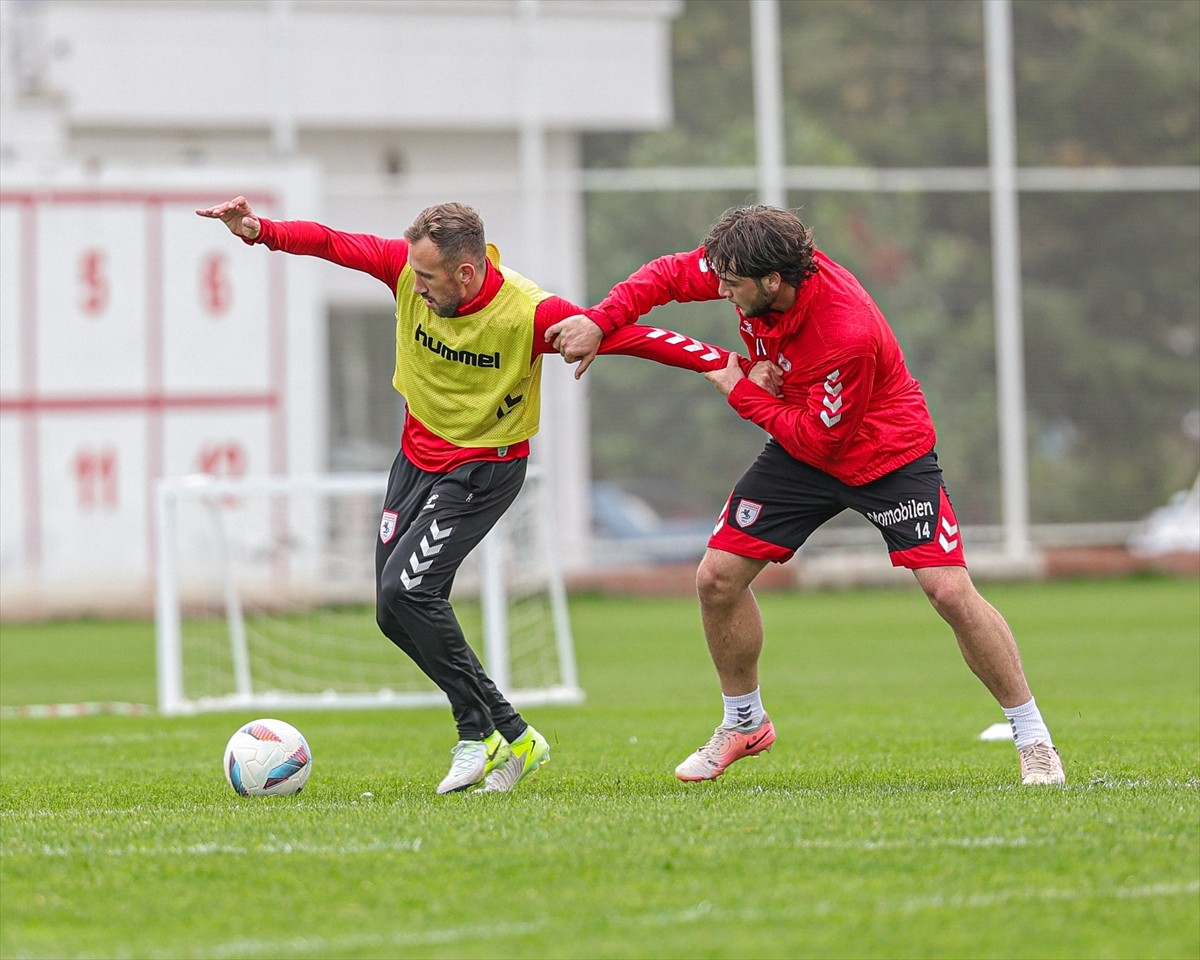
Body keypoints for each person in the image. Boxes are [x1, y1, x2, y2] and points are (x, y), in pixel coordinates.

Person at [197, 197, 730, 794]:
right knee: (391, 610)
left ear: (467, 273)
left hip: (483, 469)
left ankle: (514, 735)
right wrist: (258, 231)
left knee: (410, 590)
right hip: (415, 459)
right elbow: (328, 241)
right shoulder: (405, 270)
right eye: (414, 273)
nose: (415, 285)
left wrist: (722, 364)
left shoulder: (526, 313)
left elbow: (632, 336)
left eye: (428, 277)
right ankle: (478, 735)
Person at [548, 204, 1066, 787]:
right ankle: (744, 722)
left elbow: (821, 441)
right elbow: (666, 276)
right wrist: (599, 319)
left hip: (883, 454)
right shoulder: (747, 264)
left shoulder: (845, 332)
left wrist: (739, 389)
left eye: (731, 284)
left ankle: (1034, 739)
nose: (719, 290)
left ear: (774, 282)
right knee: (716, 579)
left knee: (948, 591)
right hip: (802, 438)